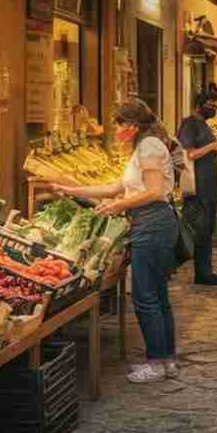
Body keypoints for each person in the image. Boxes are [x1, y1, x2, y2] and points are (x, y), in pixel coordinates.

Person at [52, 99, 178, 384]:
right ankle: (166, 359)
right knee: (157, 295)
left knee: (146, 296)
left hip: (153, 222)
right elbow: (113, 188)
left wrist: (118, 207)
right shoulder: (142, 147)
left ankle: (156, 363)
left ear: (131, 126)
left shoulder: (148, 147)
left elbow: (155, 191)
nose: (115, 130)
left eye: (118, 124)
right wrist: (69, 188)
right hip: (151, 222)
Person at [177, 87, 217, 288]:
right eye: (211, 103)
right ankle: (202, 273)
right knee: (200, 230)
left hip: (209, 186)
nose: (214, 107)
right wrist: (214, 146)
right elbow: (188, 154)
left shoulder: (204, 124)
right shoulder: (189, 124)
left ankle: (206, 272)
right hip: (198, 187)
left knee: (207, 230)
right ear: (199, 104)